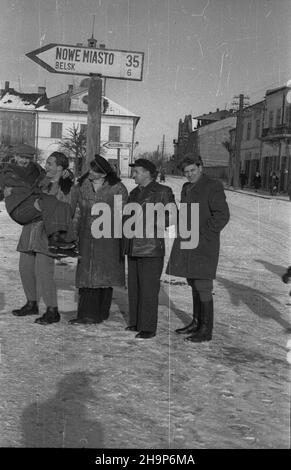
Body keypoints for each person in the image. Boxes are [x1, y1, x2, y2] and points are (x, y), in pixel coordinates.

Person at [166, 154, 230, 343]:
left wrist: (203, 235)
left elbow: (222, 216)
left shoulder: (213, 185)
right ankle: (196, 322)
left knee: (203, 284)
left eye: (193, 170)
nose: (190, 175)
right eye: (186, 172)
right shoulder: (186, 188)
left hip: (204, 244)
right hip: (188, 241)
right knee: (193, 281)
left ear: (201, 167)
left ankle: (206, 329)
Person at [10, 152, 78, 324]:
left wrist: (57, 186)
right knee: (25, 268)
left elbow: (65, 207)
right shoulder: (40, 181)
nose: (46, 166)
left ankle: (52, 310)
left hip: (47, 232)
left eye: (50, 163)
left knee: (44, 272)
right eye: (46, 163)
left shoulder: (67, 185)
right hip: (30, 228)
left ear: (60, 167)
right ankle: (31, 303)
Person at [69, 154, 128, 325]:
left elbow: (122, 214)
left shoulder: (117, 188)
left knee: (104, 276)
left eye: (95, 170)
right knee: (88, 276)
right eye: (91, 169)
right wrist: (73, 234)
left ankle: (101, 312)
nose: (91, 172)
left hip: (108, 239)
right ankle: (87, 314)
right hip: (87, 238)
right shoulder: (83, 186)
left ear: (104, 174)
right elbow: (78, 213)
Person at [123, 158, 175, 339]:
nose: (133, 175)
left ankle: (148, 327)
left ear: (147, 173)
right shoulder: (133, 192)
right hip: (133, 246)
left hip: (151, 247)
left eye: (136, 171)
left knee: (149, 288)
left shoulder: (163, 191)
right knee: (135, 286)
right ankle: (136, 322)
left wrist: (151, 221)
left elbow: (172, 216)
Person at [1, 144, 77, 256]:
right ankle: (58, 240)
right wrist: (3, 191)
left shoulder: (36, 170)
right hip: (20, 208)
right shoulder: (7, 172)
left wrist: (67, 174)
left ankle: (60, 240)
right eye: (22, 157)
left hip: (38, 230)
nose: (25, 161)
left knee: (50, 202)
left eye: (28, 158)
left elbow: (48, 178)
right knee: (48, 201)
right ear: (16, 156)